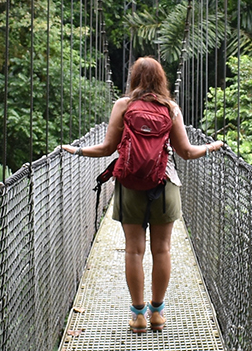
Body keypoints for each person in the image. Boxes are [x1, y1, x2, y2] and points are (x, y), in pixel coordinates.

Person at [61, 57, 223, 333]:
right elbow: (185, 152)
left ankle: (138, 316)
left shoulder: (123, 106)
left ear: (132, 79)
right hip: (165, 184)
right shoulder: (171, 108)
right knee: (163, 250)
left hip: (130, 186)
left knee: (133, 251)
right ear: (162, 80)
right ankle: (157, 313)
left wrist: (77, 150)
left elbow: (106, 148)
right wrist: (211, 146)